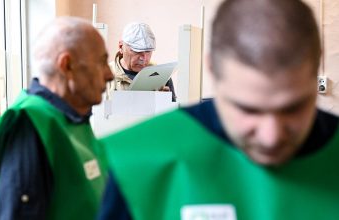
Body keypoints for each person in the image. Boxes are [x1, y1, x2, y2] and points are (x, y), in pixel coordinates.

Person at [98, 0, 339, 219]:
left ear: (317, 63)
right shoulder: (133, 164)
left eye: (293, 108)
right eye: (248, 109)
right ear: (213, 68)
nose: (271, 137)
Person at [0, 17, 114, 220]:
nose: (110, 74)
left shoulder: (72, 121)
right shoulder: (28, 126)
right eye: (102, 62)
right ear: (67, 65)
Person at [107, 22, 177, 102]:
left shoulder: (162, 76)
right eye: (137, 51)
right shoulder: (102, 76)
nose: (143, 58)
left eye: (148, 51)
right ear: (121, 47)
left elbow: (173, 113)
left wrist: (164, 101)